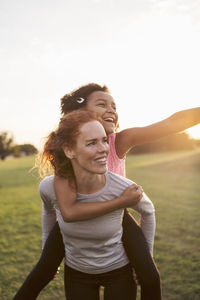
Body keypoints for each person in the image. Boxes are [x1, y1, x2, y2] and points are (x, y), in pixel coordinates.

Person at [13, 83, 200, 300]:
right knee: (42, 271)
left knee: (149, 276)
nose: (111, 110)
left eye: (114, 105)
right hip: (77, 210)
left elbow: (171, 123)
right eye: (102, 104)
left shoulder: (120, 140)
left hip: (118, 211)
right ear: (79, 114)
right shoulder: (69, 152)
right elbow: (62, 209)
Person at [39, 109, 156, 300]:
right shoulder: (49, 187)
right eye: (92, 143)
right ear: (69, 150)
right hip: (77, 273)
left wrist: (145, 258)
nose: (103, 148)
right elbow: (48, 210)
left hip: (119, 271)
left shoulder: (123, 187)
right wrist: (46, 253)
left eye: (103, 140)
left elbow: (149, 210)